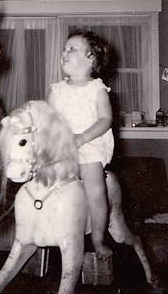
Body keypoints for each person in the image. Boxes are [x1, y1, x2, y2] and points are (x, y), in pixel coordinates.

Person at [48, 29, 114, 259]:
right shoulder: (57, 90)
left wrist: (82, 138)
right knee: (53, 188)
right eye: (64, 49)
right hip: (63, 149)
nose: (65, 53)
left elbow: (105, 119)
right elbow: (50, 120)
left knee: (96, 191)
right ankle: (57, 233)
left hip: (89, 145)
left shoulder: (96, 88)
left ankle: (98, 239)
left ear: (91, 58)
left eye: (72, 49)